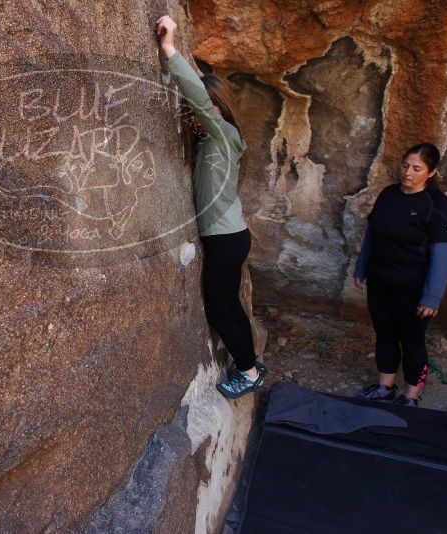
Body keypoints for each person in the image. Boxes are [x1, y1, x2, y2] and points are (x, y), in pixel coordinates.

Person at [156, 15, 266, 399]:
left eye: (201, 109)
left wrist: (170, 50)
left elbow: (201, 100)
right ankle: (251, 360)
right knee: (230, 304)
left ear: (216, 108)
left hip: (224, 239)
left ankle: (249, 372)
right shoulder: (215, 139)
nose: (194, 115)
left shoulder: (222, 134)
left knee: (219, 309)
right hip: (230, 236)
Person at [354, 143, 447, 407]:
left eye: (417, 168)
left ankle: (411, 396)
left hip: (412, 289)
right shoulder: (388, 195)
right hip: (380, 282)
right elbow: (372, 235)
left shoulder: (436, 205)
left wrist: (432, 297)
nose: (408, 172)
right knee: (384, 334)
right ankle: (385, 387)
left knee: (411, 341)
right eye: (405, 165)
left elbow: (443, 254)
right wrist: (361, 268)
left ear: (431, 172)